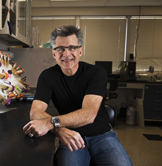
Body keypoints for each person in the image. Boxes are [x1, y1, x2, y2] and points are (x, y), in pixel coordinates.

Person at [23, 25, 133, 166]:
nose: (66, 54)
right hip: (70, 135)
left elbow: (89, 114)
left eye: (72, 48)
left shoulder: (96, 73)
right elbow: (35, 112)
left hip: (103, 135)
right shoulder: (47, 76)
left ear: (80, 51)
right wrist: (60, 130)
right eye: (60, 49)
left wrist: (51, 124)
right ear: (54, 53)